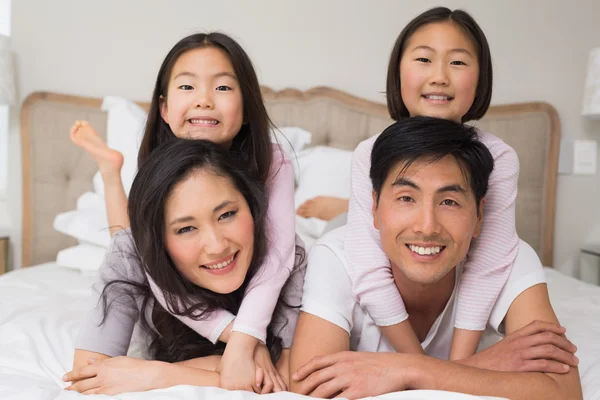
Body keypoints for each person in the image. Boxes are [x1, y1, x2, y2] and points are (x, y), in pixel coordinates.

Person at [289, 117, 582, 399]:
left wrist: (409, 369)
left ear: (480, 215)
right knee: (340, 226)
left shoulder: (510, 259)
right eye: (406, 197)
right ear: (374, 206)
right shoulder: (335, 256)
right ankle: (339, 210)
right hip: (344, 228)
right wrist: (478, 367)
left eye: (449, 201)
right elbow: (308, 390)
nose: (427, 226)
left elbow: (565, 393)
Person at [69, 32, 298, 391]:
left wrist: (239, 342)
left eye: (223, 88)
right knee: (124, 243)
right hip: (154, 264)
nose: (204, 101)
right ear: (163, 107)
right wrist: (237, 347)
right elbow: (88, 374)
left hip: (256, 292)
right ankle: (110, 172)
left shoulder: (274, 174)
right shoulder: (146, 221)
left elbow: (280, 258)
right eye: (188, 87)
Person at [63, 139, 305, 395]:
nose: (216, 246)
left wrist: (161, 375)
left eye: (227, 214)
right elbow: (89, 375)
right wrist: (229, 364)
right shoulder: (131, 254)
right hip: (136, 251)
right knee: (122, 238)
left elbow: (287, 376)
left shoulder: (285, 255)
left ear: (252, 207)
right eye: (186, 229)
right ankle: (110, 173)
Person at [346, 6, 520, 360]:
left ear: (481, 77)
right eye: (424, 59)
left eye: (457, 62)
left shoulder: (499, 159)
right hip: (373, 264)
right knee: (337, 238)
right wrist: (418, 362)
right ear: (398, 72)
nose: (439, 77)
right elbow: (367, 270)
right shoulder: (369, 153)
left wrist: (456, 367)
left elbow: (487, 266)